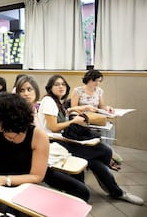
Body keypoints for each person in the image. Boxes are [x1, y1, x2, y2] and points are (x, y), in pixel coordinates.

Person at [38, 75, 144, 205]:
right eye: (57, 84)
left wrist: (78, 109)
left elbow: (62, 114)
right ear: (50, 87)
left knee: (96, 162)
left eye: (63, 84)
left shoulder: (56, 101)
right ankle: (113, 181)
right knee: (104, 150)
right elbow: (53, 127)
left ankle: (117, 192)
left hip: (63, 139)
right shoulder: (49, 101)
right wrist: (74, 120)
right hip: (54, 142)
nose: (61, 87)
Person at [15, 75, 90, 201]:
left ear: (36, 91)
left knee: (79, 177)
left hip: (43, 156)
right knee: (82, 191)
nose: (26, 94)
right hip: (30, 163)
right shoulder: (16, 113)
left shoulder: (32, 110)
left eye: (29, 89)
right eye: (21, 91)